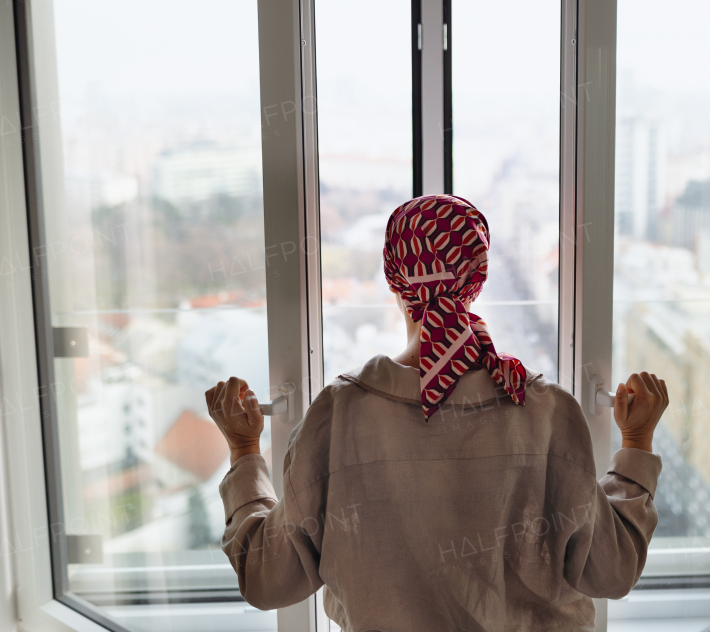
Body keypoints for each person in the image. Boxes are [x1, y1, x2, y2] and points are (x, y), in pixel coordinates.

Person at [207, 194, 668, 630]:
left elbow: (269, 579)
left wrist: (246, 449)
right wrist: (637, 443)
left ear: (393, 280)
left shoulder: (338, 415)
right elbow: (610, 572)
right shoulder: (548, 412)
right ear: (479, 278)